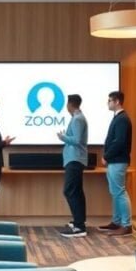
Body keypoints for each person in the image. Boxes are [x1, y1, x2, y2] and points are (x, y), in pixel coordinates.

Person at [101, 91, 133, 236]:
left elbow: (119, 142)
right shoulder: (118, 118)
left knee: (119, 192)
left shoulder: (122, 119)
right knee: (115, 192)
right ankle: (116, 221)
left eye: (109, 100)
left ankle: (126, 225)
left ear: (117, 101)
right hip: (115, 161)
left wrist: (106, 156)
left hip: (118, 161)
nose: (108, 103)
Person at [57, 94, 88, 237]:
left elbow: (76, 140)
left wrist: (63, 138)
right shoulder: (77, 118)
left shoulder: (77, 119)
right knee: (76, 192)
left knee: (70, 191)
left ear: (70, 104)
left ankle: (79, 227)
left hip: (74, 159)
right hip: (74, 159)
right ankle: (79, 221)